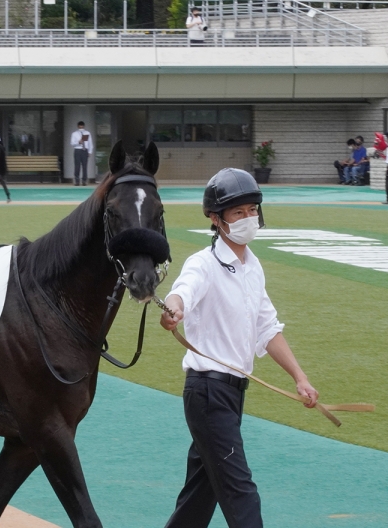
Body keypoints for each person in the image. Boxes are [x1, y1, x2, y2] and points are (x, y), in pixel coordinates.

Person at [159, 168, 319, 528]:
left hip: (231, 395)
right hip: (208, 393)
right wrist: (174, 309)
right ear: (216, 219)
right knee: (241, 493)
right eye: (237, 212)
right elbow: (183, 291)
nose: (249, 218)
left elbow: (267, 328)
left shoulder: (253, 266)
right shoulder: (203, 263)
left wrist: (300, 377)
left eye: (252, 210)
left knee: (200, 497)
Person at [70, 121, 93, 186]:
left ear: (84, 126)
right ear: (78, 127)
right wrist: (78, 142)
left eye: (82, 127)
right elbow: (72, 143)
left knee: (85, 166)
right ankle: (77, 181)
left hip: (84, 150)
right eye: (80, 127)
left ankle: (84, 181)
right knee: (77, 166)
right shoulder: (74, 134)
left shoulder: (87, 133)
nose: (81, 128)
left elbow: (90, 143)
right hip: (77, 150)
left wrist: (89, 151)